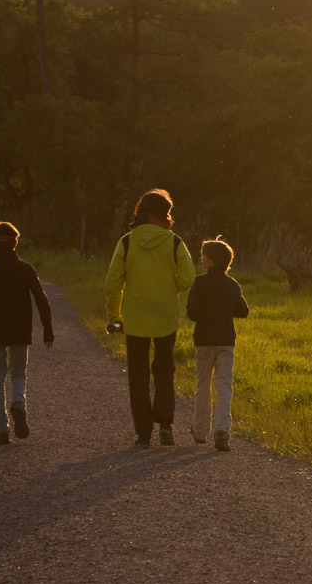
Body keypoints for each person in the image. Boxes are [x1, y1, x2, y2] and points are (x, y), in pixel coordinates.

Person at [104, 189, 197, 447]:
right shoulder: (175, 242)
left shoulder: (126, 241)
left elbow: (113, 283)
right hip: (165, 315)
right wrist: (170, 291)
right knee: (165, 371)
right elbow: (188, 278)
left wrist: (115, 315)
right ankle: (165, 423)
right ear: (162, 214)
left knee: (138, 375)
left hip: (135, 317)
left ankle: (143, 432)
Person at [0, 221, 54, 445]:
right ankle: (18, 403)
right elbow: (41, 299)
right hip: (21, 330)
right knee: (18, 373)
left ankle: (2, 429)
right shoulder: (26, 269)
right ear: (15, 243)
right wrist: (47, 331)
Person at [185, 236, 249, 452]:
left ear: (212, 261)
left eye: (204, 255)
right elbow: (243, 311)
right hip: (225, 342)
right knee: (224, 386)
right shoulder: (232, 284)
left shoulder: (199, 282)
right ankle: (222, 431)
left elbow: (192, 314)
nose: (200, 257)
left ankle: (200, 430)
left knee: (202, 385)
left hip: (203, 341)